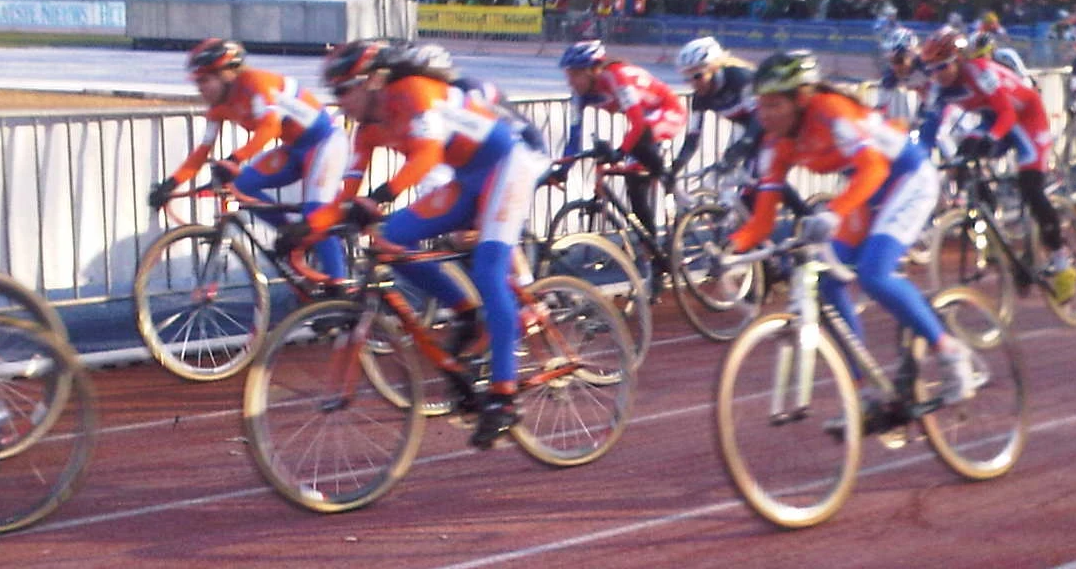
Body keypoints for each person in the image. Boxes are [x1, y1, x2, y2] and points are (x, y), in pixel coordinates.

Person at [305, 40, 549, 449]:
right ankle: (466, 314)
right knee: (388, 240)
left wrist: (379, 198)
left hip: (508, 166)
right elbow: (346, 192)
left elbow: (427, 155)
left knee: (489, 270)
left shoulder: (413, 91)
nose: (339, 101)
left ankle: (504, 397)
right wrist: (309, 228)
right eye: (335, 93)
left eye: (344, 90)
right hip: (468, 178)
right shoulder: (366, 130)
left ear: (372, 81)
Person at [722, 50, 980, 405]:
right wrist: (731, 250)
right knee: (827, 283)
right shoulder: (775, 143)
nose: (763, 115)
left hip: (907, 179)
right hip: (866, 192)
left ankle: (950, 352)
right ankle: (864, 388)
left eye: (774, 105)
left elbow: (874, 168)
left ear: (801, 98)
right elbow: (763, 220)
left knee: (874, 274)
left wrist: (834, 212)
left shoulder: (830, 111)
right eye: (760, 105)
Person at [146, 38, 347, 278]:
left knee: (316, 215)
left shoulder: (255, 83)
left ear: (226, 74)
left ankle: (340, 285)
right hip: (295, 147)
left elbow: (270, 127)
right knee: (242, 185)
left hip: (325, 142)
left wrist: (235, 158)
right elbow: (201, 153)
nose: (200, 89)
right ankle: (293, 235)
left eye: (204, 80)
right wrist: (171, 184)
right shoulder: (219, 107)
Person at [917, 27, 1076, 303]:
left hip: (1026, 119)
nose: (937, 74)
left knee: (1031, 188)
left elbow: (1006, 113)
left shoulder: (980, 73)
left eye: (942, 67)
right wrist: (918, 163)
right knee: (963, 163)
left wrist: (990, 139)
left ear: (958, 60)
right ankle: (994, 227)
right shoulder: (937, 87)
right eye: (931, 69)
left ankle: (1062, 262)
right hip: (993, 119)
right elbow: (929, 131)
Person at [556, 40, 687, 250]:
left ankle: (672, 186)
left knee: (639, 141)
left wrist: (620, 152)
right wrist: (563, 169)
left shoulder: (617, 76)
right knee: (634, 186)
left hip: (667, 112)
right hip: (645, 121)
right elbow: (574, 137)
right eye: (568, 75)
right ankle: (653, 251)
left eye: (575, 75)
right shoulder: (579, 95)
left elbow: (638, 124)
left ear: (593, 70)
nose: (570, 81)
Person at [670, 35, 763, 180]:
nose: (693, 83)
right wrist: (674, 170)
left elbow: (759, 119)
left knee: (758, 181)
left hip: (774, 125)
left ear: (714, 68)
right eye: (687, 78)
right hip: (747, 130)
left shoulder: (739, 77)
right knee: (728, 182)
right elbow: (692, 139)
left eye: (697, 76)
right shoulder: (700, 97)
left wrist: (739, 148)